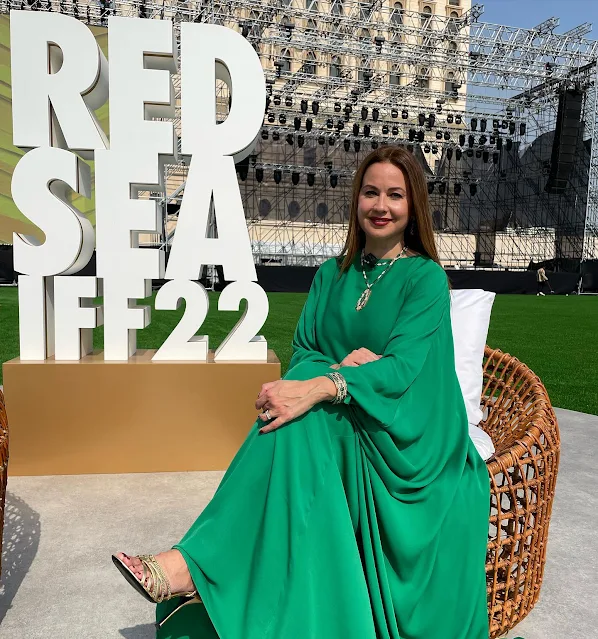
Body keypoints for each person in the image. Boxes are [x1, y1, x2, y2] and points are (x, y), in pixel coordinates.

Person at [113, 146, 491, 639]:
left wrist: (326, 386)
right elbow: (306, 352)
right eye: (371, 192)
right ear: (356, 200)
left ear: (413, 205)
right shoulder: (331, 275)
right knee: (294, 416)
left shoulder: (425, 278)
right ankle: (201, 568)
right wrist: (334, 376)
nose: (381, 205)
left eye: (395, 195)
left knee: (298, 416)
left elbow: (403, 371)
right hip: (353, 412)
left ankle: (192, 566)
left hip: (409, 432)